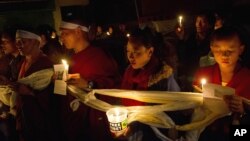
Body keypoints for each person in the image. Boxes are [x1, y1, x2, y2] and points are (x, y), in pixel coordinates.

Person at [121, 27, 192, 141]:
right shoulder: (129, 72)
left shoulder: (162, 77)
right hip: (135, 130)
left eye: (136, 52)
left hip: (157, 133)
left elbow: (174, 110)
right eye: (128, 51)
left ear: (150, 52)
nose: (130, 57)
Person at [59, 20, 121, 141]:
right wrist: (57, 80)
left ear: (78, 32)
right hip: (73, 118)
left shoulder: (98, 55)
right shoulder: (69, 57)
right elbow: (62, 89)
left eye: (65, 34)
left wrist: (89, 84)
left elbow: (114, 83)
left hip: (93, 120)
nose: (61, 38)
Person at [193, 26, 250, 141]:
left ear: (241, 50)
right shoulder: (204, 74)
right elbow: (194, 107)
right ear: (212, 49)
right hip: (205, 132)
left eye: (230, 50)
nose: (224, 55)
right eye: (219, 50)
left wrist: (243, 112)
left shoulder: (247, 78)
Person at [14, 29, 59, 141]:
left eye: (23, 41)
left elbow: (55, 96)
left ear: (36, 42)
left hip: (40, 120)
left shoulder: (45, 63)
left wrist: (30, 92)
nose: (18, 45)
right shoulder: (22, 63)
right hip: (25, 118)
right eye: (17, 41)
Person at [177, 11, 215, 91]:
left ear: (210, 25)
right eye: (197, 21)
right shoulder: (191, 38)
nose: (198, 24)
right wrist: (181, 39)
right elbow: (183, 56)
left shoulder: (213, 40)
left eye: (203, 22)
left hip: (206, 76)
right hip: (190, 74)